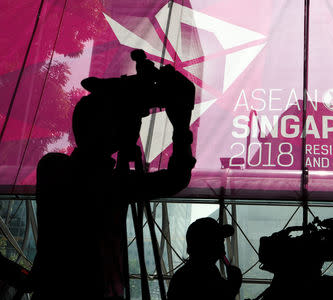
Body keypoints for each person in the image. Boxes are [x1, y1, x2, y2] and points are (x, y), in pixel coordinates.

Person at [30, 49, 196, 300]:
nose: (136, 124)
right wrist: (181, 125)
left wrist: (121, 97)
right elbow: (175, 179)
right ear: (107, 127)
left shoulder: (53, 168)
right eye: (127, 120)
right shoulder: (82, 176)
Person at [167, 217, 242, 300]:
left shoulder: (186, 275)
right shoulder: (205, 276)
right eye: (219, 239)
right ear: (207, 244)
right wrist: (233, 287)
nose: (222, 243)